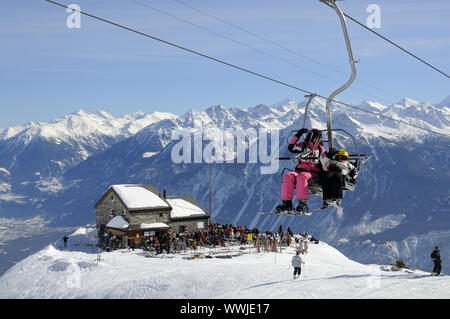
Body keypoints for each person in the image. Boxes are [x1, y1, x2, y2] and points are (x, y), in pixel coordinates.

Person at [276, 128, 325, 214]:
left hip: (313, 173)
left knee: (302, 176)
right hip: (299, 171)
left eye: (319, 138)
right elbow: (291, 147)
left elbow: (325, 162)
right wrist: (298, 135)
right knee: (288, 176)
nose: (319, 140)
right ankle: (287, 203)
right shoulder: (303, 146)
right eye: (316, 138)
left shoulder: (320, 150)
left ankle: (303, 204)